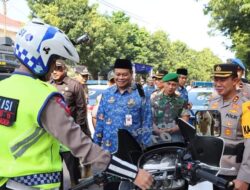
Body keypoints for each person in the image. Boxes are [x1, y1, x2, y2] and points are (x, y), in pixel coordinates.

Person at [0, 20, 153, 190]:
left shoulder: (3, 88)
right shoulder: (43, 96)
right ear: (42, 57)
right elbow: (82, 146)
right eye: (54, 60)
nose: (54, 67)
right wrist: (134, 174)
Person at [93, 59, 152, 190]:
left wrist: (146, 152)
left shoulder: (141, 95)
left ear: (131, 74)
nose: (120, 78)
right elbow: (100, 122)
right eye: (118, 74)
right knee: (110, 187)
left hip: (131, 155)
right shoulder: (107, 94)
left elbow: (147, 123)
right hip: (109, 153)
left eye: (124, 74)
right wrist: (95, 146)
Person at [209, 63, 250, 190]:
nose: (218, 83)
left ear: (235, 81)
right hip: (213, 170)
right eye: (216, 79)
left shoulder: (246, 106)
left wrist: (244, 177)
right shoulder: (212, 103)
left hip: (234, 175)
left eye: (223, 79)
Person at [49, 59, 90, 187]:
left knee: (73, 171)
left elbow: (81, 110)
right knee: (55, 172)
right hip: (51, 136)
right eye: (53, 69)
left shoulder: (74, 85)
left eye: (59, 69)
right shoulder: (46, 84)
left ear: (64, 70)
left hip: (68, 135)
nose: (55, 72)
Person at [151, 73, 185, 144]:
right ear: (163, 83)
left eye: (174, 85)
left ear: (177, 86)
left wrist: (173, 129)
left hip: (175, 135)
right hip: (157, 135)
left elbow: (185, 119)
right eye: (168, 84)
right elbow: (149, 118)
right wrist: (158, 131)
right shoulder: (154, 99)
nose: (170, 87)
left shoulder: (181, 101)